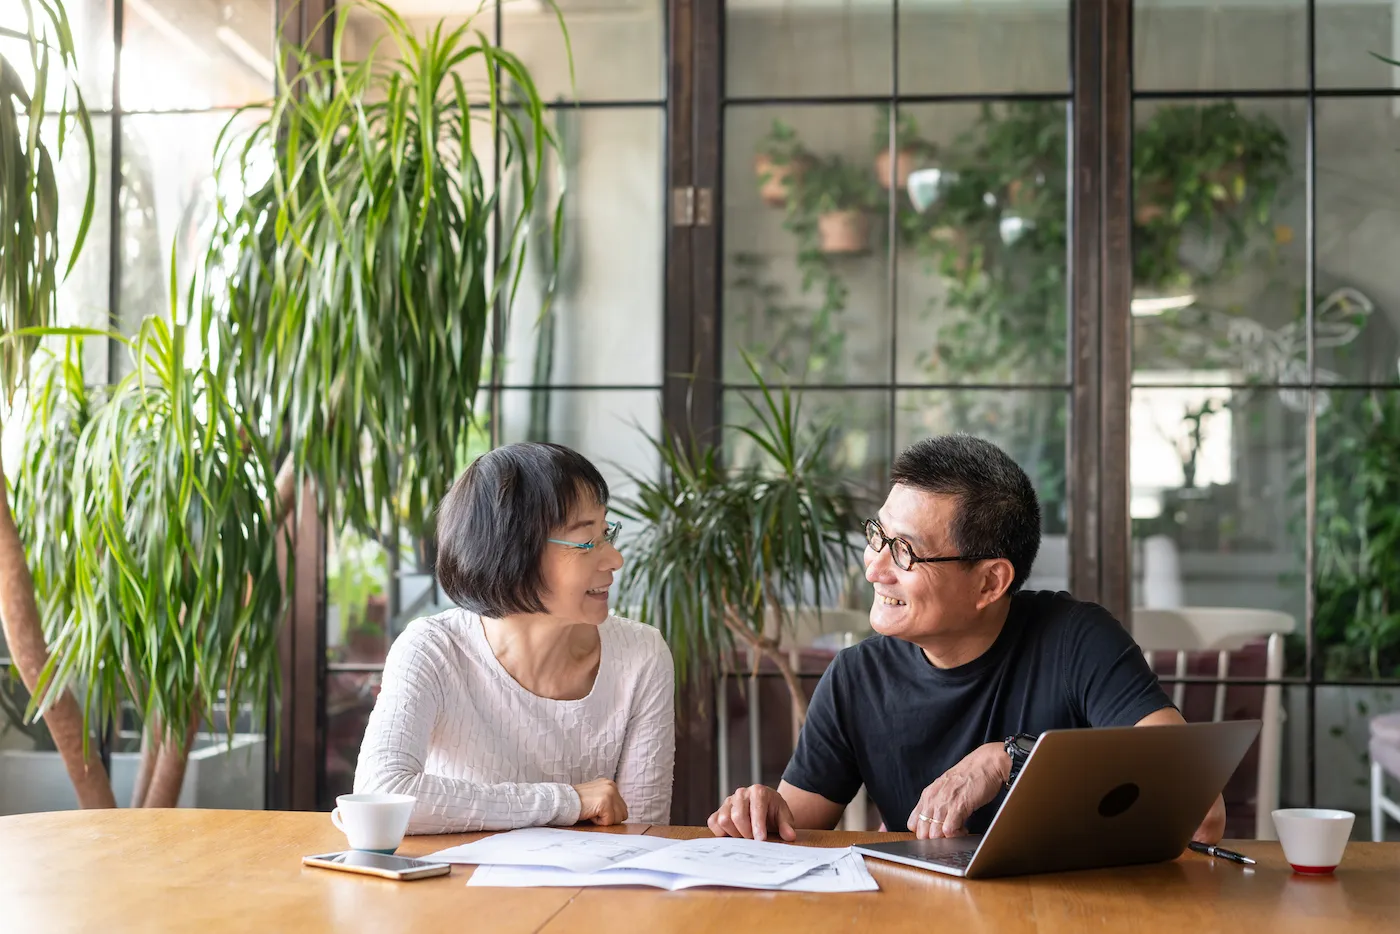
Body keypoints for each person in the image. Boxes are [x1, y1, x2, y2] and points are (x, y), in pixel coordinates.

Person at [707, 434, 1226, 845]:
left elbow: (1199, 811)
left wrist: (1012, 758)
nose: (875, 568)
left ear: (989, 583)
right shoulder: (856, 678)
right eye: (876, 536)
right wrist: (763, 813)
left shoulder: (1075, 639)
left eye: (905, 551)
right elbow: (796, 828)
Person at [355, 442, 674, 833]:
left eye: (607, 533)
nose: (614, 559)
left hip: (586, 893)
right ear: (512, 550)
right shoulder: (433, 650)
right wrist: (567, 801)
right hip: (449, 889)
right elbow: (381, 794)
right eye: (587, 541)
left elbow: (643, 833)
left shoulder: (640, 655)